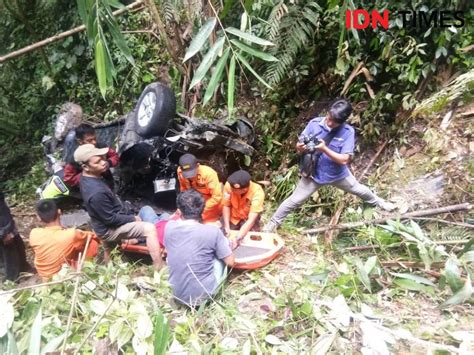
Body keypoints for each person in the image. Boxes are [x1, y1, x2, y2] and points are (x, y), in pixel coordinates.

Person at [264, 99, 395, 232]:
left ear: (343, 121)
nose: (330, 123)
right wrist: (300, 147)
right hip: (313, 174)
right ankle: (272, 224)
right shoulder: (314, 123)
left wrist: (324, 149)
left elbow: (344, 159)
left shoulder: (348, 132)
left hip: (337, 174)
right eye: (329, 118)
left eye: (335, 122)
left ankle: (378, 203)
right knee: (294, 201)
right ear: (328, 112)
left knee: (359, 189)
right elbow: (299, 146)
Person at [75, 144, 164, 269]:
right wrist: (133, 219)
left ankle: (108, 269)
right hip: (107, 229)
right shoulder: (96, 193)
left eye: (103, 158)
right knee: (149, 229)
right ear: (85, 167)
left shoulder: (86, 177)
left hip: (100, 223)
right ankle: (159, 266)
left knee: (110, 248)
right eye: (97, 161)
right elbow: (110, 219)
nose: (103, 162)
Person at [164, 190, 235, 307]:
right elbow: (231, 262)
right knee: (219, 256)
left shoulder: (169, 227)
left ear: (179, 211)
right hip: (204, 298)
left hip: (177, 294)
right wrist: (225, 242)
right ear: (203, 210)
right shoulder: (213, 232)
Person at [29, 199, 99, 280]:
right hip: (63, 277)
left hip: (45, 278)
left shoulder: (34, 234)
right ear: (59, 212)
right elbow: (93, 236)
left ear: (39, 218)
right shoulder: (72, 234)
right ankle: (86, 269)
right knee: (92, 242)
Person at [63, 123, 119, 187]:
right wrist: (88, 175)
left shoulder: (101, 147)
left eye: (95, 138)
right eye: (90, 140)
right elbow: (69, 179)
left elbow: (115, 156)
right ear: (80, 141)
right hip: (89, 187)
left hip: (107, 181)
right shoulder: (74, 158)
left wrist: (109, 163)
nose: (94, 142)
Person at [177, 154, 222, 224]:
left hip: (209, 203)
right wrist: (185, 205)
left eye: (192, 173)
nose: (190, 177)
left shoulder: (209, 174)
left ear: (198, 165)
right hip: (192, 201)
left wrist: (200, 209)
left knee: (206, 225)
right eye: (187, 174)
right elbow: (184, 189)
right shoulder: (180, 172)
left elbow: (217, 197)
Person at [222, 170, 265, 240]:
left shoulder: (257, 193)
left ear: (244, 190)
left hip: (248, 217)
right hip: (234, 216)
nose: (231, 190)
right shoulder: (229, 185)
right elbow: (226, 205)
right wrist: (227, 227)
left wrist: (238, 237)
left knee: (251, 238)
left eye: (234, 190)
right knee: (225, 234)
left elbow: (252, 219)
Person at [0, 192, 33, 282]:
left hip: (6, 222)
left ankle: (23, 267)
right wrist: (2, 233)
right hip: (3, 229)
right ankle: (12, 280)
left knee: (19, 247)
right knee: (9, 255)